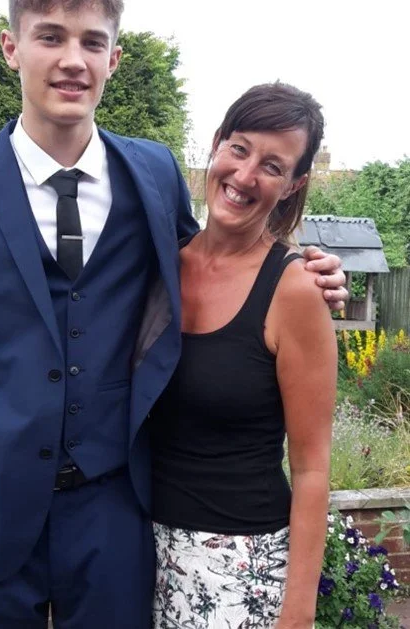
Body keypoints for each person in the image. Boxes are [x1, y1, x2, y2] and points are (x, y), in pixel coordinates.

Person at [0, 0, 346, 624]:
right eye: (50, 37)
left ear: (113, 59)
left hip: (115, 520)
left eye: (91, 42)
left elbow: (210, 263)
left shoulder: (154, 172)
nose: (72, 60)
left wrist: (305, 267)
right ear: (11, 48)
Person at [149, 83, 336, 628]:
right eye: (239, 148)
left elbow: (312, 468)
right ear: (216, 144)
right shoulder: (158, 266)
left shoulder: (294, 290)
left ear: (294, 183)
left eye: (273, 166)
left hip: (240, 572)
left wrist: (297, 613)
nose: (246, 175)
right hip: (138, 553)